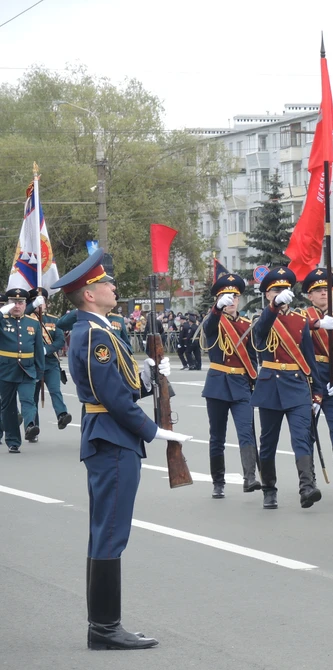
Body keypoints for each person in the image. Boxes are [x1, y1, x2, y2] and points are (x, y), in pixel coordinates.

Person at [51, 249, 191, 649]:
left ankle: (103, 625)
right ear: (90, 294)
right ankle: (105, 628)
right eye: (106, 283)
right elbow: (110, 394)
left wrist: (148, 376)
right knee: (110, 532)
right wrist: (156, 432)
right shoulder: (94, 334)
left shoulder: (100, 330)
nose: (114, 286)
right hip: (112, 437)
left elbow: (122, 383)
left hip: (110, 435)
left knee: (106, 531)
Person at [251, 266, 325, 510]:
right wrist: (273, 308)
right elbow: (261, 332)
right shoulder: (262, 319)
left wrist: (317, 390)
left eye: (284, 290)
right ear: (268, 295)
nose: (280, 295)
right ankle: (269, 489)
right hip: (271, 385)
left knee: (302, 437)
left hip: (297, 385)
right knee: (268, 441)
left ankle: (307, 487)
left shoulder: (300, 320)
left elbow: (309, 357)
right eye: (275, 291)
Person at [200, 273, 260, 498]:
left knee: (246, 432)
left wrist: (254, 381)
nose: (232, 300)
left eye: (235, 296)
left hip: (241, 384)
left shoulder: (247, 324)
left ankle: (250, 477)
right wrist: (216, 309)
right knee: (217, 436)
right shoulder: (213, 321)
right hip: (218, 384)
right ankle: (218, 481)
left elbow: (252, 357)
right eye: (227, 296)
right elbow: (209, 329)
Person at [299, 268, 333, 488]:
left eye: (326, 290)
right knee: (308, 430)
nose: (323, 294)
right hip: (311, 379)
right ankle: (309, 479)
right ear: (309, 296)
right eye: (317, 290)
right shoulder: (302, 319)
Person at [0, 286, 46, 452]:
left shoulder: (33, 323)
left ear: (26, 304)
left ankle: (30, 426)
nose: (17, 306)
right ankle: (13, 441)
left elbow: (38, 349)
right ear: (8, 303)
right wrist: (3, 309)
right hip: (5, 371)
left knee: (28, 400)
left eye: (20, 302)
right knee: (8, 407)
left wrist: (40, 370)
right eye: (14, 302)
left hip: (27, 369)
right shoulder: (3, 320)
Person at [26, 287, 72, 439]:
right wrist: (31, 308)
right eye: (37, 301)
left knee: (55, 390)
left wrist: (46, 349)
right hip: (33, 363)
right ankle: (32, 427)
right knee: (32, 398)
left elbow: (60, 340)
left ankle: (62, 415)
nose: (41, 304)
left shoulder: (53, 320)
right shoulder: (27, 319)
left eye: (43, 301)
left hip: (51, 362)